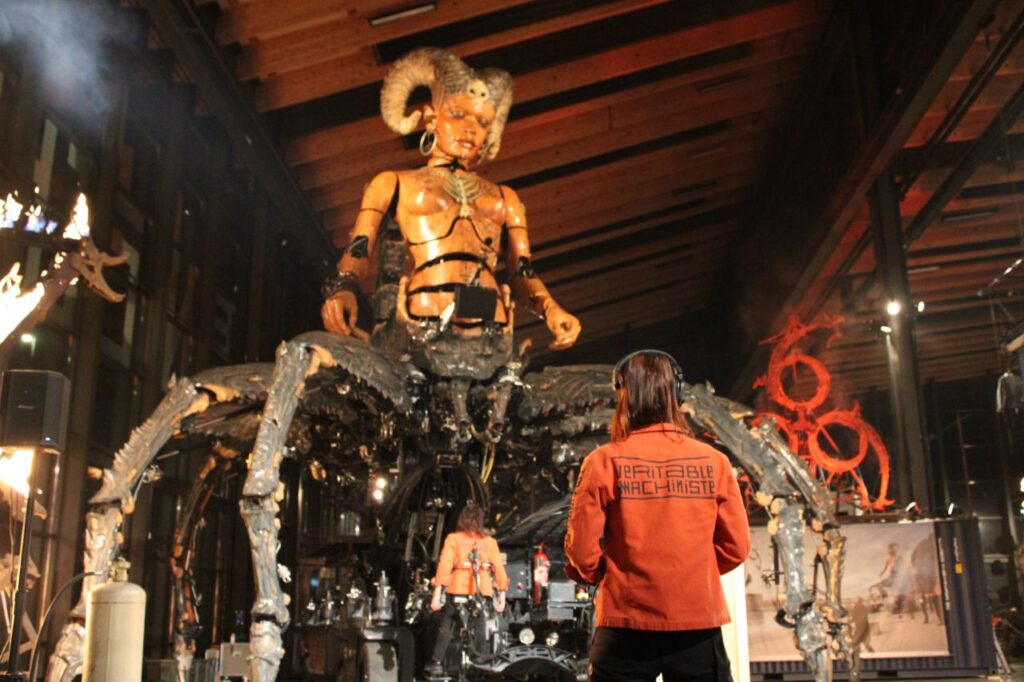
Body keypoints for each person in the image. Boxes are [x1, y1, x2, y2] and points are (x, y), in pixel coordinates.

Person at [320, 47, 581, 355]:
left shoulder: (505, 198)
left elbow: (522, 272)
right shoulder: (393, 182)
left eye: (483, 122)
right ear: (431, 118)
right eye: (458, 115)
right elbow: (359, 249)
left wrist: (552, 310)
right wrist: (345, 287)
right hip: (420, 323)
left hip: (491, 329)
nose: (470, 128)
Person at [565, 350, 750, 682]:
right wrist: (693, 574)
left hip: (624, 624)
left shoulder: (603, 462)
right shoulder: (715, 462)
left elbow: (582, 552)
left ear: (624, 395)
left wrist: (607, 577)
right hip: (698, 626)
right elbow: (736, 547)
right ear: (676, 394)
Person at [426, 500, 509, 677]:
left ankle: (437, 662)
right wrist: (502, 594)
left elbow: (444, 566)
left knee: (447, 625)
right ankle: (479, 660)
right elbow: (499, 570)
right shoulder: (489, 542)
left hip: (457, 588)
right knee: (480, 621)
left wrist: (437, 592)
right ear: (480, 521)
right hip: (482, 590)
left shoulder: (453, 539)